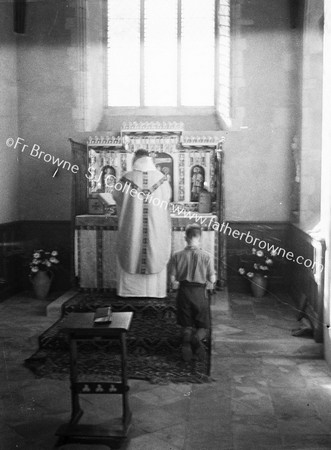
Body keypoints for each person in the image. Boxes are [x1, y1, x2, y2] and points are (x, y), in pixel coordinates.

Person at [112, 149, 171, 297]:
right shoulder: (162, 179)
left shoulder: (126, 178)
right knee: (153, 251)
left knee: (132, 249)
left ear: (136, 160)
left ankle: (129, 293)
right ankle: (154, 292)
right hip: (155, 230)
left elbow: (116, 197)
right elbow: (167, 199)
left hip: (132, 229)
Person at [169, 223, 216, 361]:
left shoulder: (177, 256)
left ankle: (186, 342)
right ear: (200, 238)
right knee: (203, 325)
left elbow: (172, 279)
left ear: (185, 238)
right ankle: (197, 338)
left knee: (186, 324)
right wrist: (211, 281)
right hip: (200, 294)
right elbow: (212, 279)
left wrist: (175, 284)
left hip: (184, 292)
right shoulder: (207, 256)